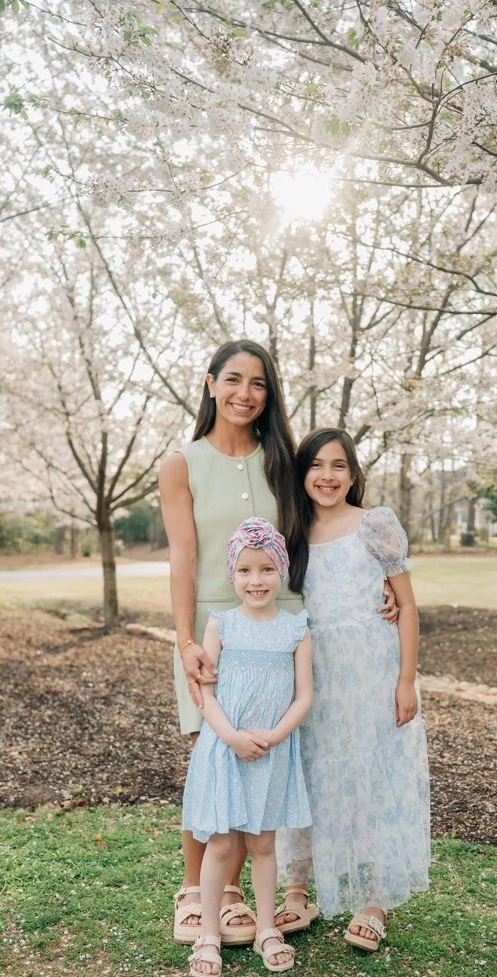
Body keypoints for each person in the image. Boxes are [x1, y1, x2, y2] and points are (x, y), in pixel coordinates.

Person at [159, 340, 398, 944]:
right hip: (214, 630)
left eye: (258, 383)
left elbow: (322, 524)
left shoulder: (283, 461)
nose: (245, 393)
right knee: (213, 758)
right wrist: (184, 641)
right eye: (233, 379)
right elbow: (183, 558)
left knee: (264, 756)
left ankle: (232, 894)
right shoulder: (181, 464)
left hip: (284, 625)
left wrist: (380, 584)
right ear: (210, 384)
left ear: (270, 394)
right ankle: (194, 893)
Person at [275, 427, 430, 952]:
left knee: (373, 778)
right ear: (302, 474)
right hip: (312, 677)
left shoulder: (374, 524)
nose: (327, 476)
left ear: (353, 473)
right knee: (309, 774)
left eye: (338, 465)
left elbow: (407, 605)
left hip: (371, 675)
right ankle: (298, 890)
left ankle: (374, 901)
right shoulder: (291, 532)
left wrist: (405, 680)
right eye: (316, 466)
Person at [184, 518, 312, 977]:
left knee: (263, 842)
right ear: (232, 575)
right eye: (244, 570)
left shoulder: (296, 629)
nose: (256, 580)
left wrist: (274, 737)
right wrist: (232, 737)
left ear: (281, 570)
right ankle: (208, 934)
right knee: (221, 843)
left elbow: (304, 696)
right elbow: (207, 695)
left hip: (271, 752)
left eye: (266, 569)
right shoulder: (222, 625)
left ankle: (266, 929)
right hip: (226, 748)